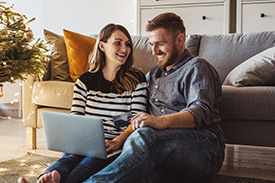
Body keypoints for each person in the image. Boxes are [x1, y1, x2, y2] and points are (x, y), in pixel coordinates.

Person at [82, 12, 226, 183]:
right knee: (137, 176)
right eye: (151, 44)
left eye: (160, 44)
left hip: (203, 149)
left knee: (143, 136)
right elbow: (137, 110)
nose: (154, 51)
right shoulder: (154, 74)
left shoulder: (197, 68)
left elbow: (202, 111)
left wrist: (161, 121)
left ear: (180, 40)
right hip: (162, 152)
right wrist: (115, 136)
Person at [18, 23, 148, 183]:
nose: (125, 48)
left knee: (85, 166)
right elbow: (76, 118)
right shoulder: (85, 80)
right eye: (118, 43)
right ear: (102, 46)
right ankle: (46, 179)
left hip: (115, 146)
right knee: (66, 160)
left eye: (128, 44)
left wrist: (117, 141)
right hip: (84, 143)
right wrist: (74, 141)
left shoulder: (137, 79)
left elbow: (137, 121)